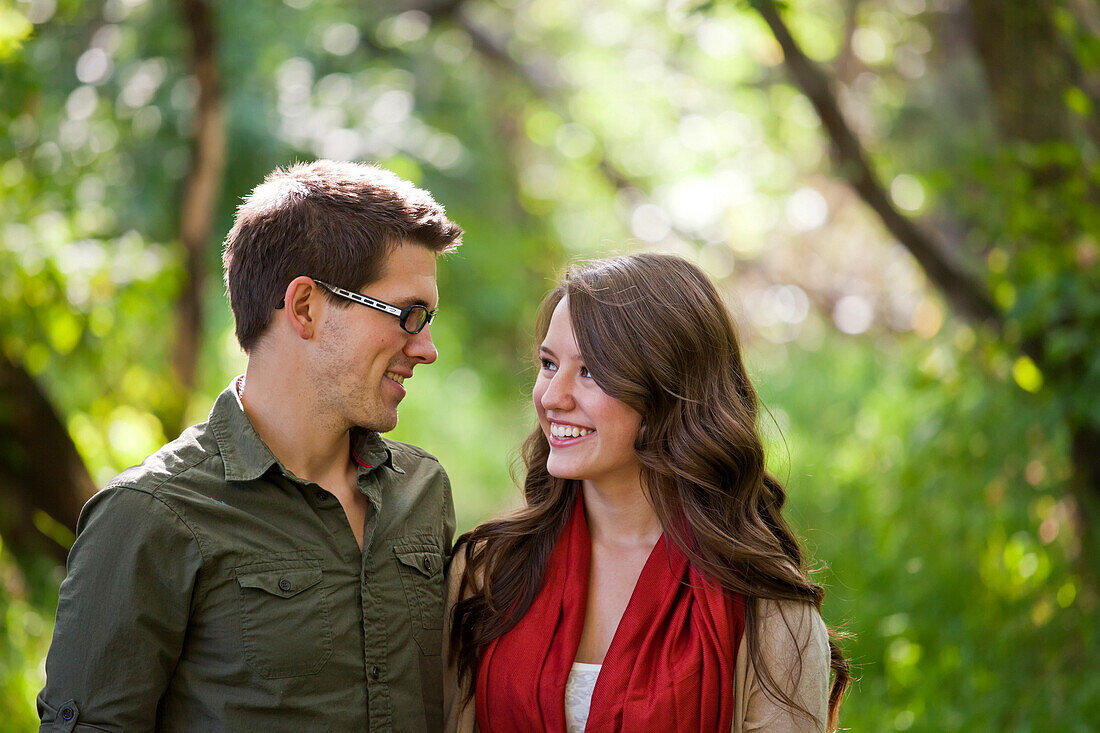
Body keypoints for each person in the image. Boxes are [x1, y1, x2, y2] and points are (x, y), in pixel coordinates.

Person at [38, 160, 463, 732]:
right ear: (307, 307)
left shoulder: (424, 492)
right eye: (410, 315)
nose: (427, 348)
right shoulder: (150, 515)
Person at [445, 253, 850, 732]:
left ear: (668, 388)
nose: (553, 396)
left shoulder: (765, 605)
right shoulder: (488, 570)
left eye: (591, 371)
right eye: (549, 364)